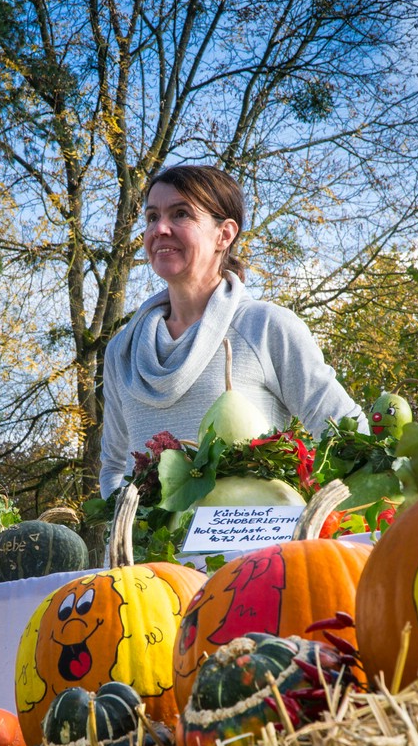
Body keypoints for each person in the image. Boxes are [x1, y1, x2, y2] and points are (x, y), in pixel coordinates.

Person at [98, 164, 369, 498]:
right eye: (152, 217)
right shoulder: (122, 351)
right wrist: (126, 534)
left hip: (259, 548)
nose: (160, 229)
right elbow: (114, 466)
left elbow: (348, 432)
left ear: (224, 234)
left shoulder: (265, 328)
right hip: (152, 552)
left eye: (180, 214)